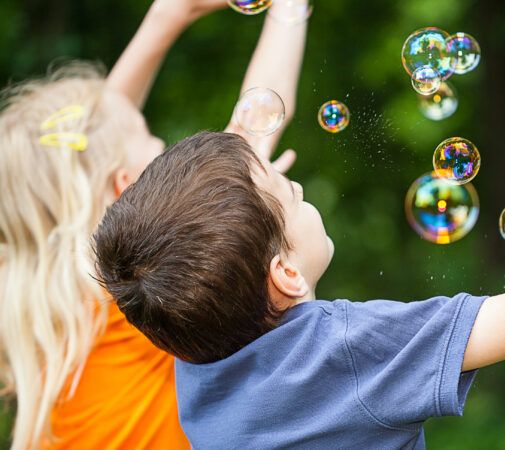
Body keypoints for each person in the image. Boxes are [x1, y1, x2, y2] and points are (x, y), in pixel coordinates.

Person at [93, 4, 505, 449]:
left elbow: (245, 138)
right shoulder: (346, 354)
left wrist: (290, 12)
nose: (297, 183)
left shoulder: (184, 333)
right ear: (284, 272)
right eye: (287, 191)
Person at [0, 0, 307, 447]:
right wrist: (289, 10)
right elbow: (252, 127)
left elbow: (93, 141)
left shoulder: (29, 300)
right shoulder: (138, 278)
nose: (167, 156)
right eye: (155, 146)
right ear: (125, 187)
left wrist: (170, 15)